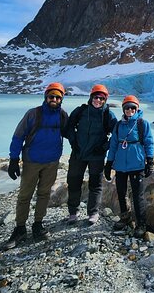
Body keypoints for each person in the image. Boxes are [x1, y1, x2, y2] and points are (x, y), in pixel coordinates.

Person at [3, 82, 69, 249]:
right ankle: (19, 229)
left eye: (57, 97)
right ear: (46, 97)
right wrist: (13, 159)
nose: (54, 99)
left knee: (44, 194)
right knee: (25, 195)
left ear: (61, 99)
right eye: (51, 96)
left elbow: (71, 133)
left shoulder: (62, 115)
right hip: (32, 161)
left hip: (51, 162)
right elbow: (18, 136)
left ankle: (38, 224)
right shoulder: (33, 114)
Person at [64, 84, 117, 225]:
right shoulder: (81, 111)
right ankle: (73, 212)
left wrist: (104, 148)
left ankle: (93, 212)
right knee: (74, 182)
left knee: (95, 185)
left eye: (101, 98)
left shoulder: (108, 115)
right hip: (78, 153)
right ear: (91, 97)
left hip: (96, 156)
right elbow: (69, 127)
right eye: (95, 97)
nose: (98, 100)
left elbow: (117, 134)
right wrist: (73, 142)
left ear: (105, 100)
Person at [104, 95, 154, 234]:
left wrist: (150, 160)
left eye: (133, 107)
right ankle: (125, 217)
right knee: (121, 192)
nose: (130, 110)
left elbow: (149, 142)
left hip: (137, 164)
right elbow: (113, 144)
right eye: (127, 107)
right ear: (124, 109)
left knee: (137, 195)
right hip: (120, 165)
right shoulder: (119, 125)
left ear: (137, 108)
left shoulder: (142, 124)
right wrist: (109, 163)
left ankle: (141, 224)